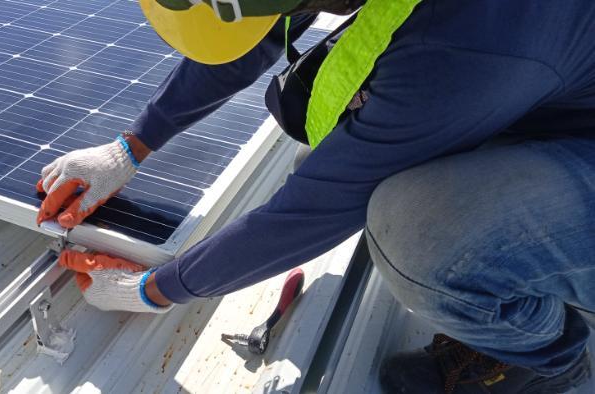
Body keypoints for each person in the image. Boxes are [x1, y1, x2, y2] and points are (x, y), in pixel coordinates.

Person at [36, 0, 595, 392]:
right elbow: (258, 35)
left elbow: (310, 212)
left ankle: (547, 361)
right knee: (337, 146)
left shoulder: (472, 47)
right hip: (545, 85)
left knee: (421, 237)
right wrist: (133, 145)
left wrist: (154, 290)